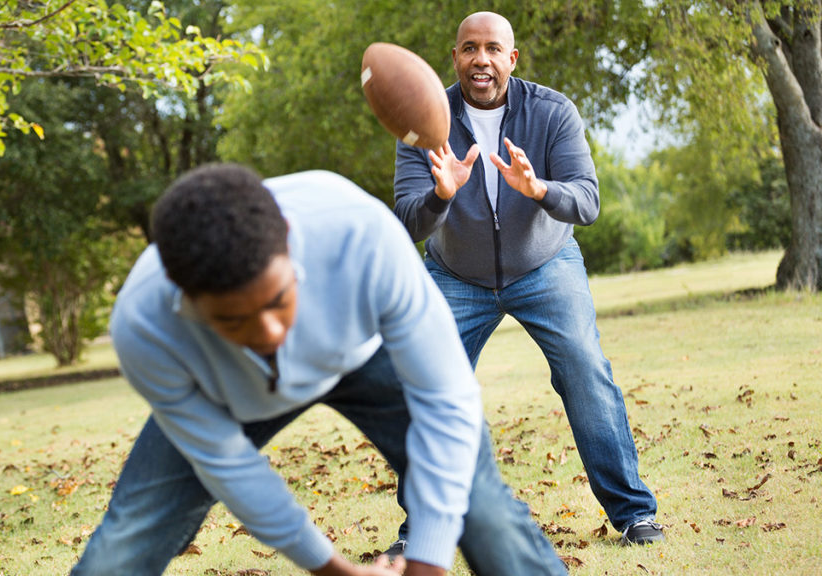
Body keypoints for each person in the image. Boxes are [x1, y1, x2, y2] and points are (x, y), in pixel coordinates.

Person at [70, 163, 567, 576]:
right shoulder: (144, 325)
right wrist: (334, 570)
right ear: (184, 299)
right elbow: (229, 465)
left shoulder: (360, 232)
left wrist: (427, 564)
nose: (268, 333)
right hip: (229, 392)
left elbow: (448, 403)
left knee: (482, 510)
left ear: (288, 238)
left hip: (362, 357)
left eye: (278, 299)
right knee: (119, 552)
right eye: (232, 320)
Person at [390, 11, 663, 552]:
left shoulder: (551, 111)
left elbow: (587, 201)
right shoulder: (424, 118)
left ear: (511, 59)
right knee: (427, 390)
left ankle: (633, 513)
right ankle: (422, 530)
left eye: (493, 48)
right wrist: (441, 196)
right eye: (470, 48)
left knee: (585, 370)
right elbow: (406, 218)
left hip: (544, 265)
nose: (481, 59)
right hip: (454, 275)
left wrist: (540, 190)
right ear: (456, 58)